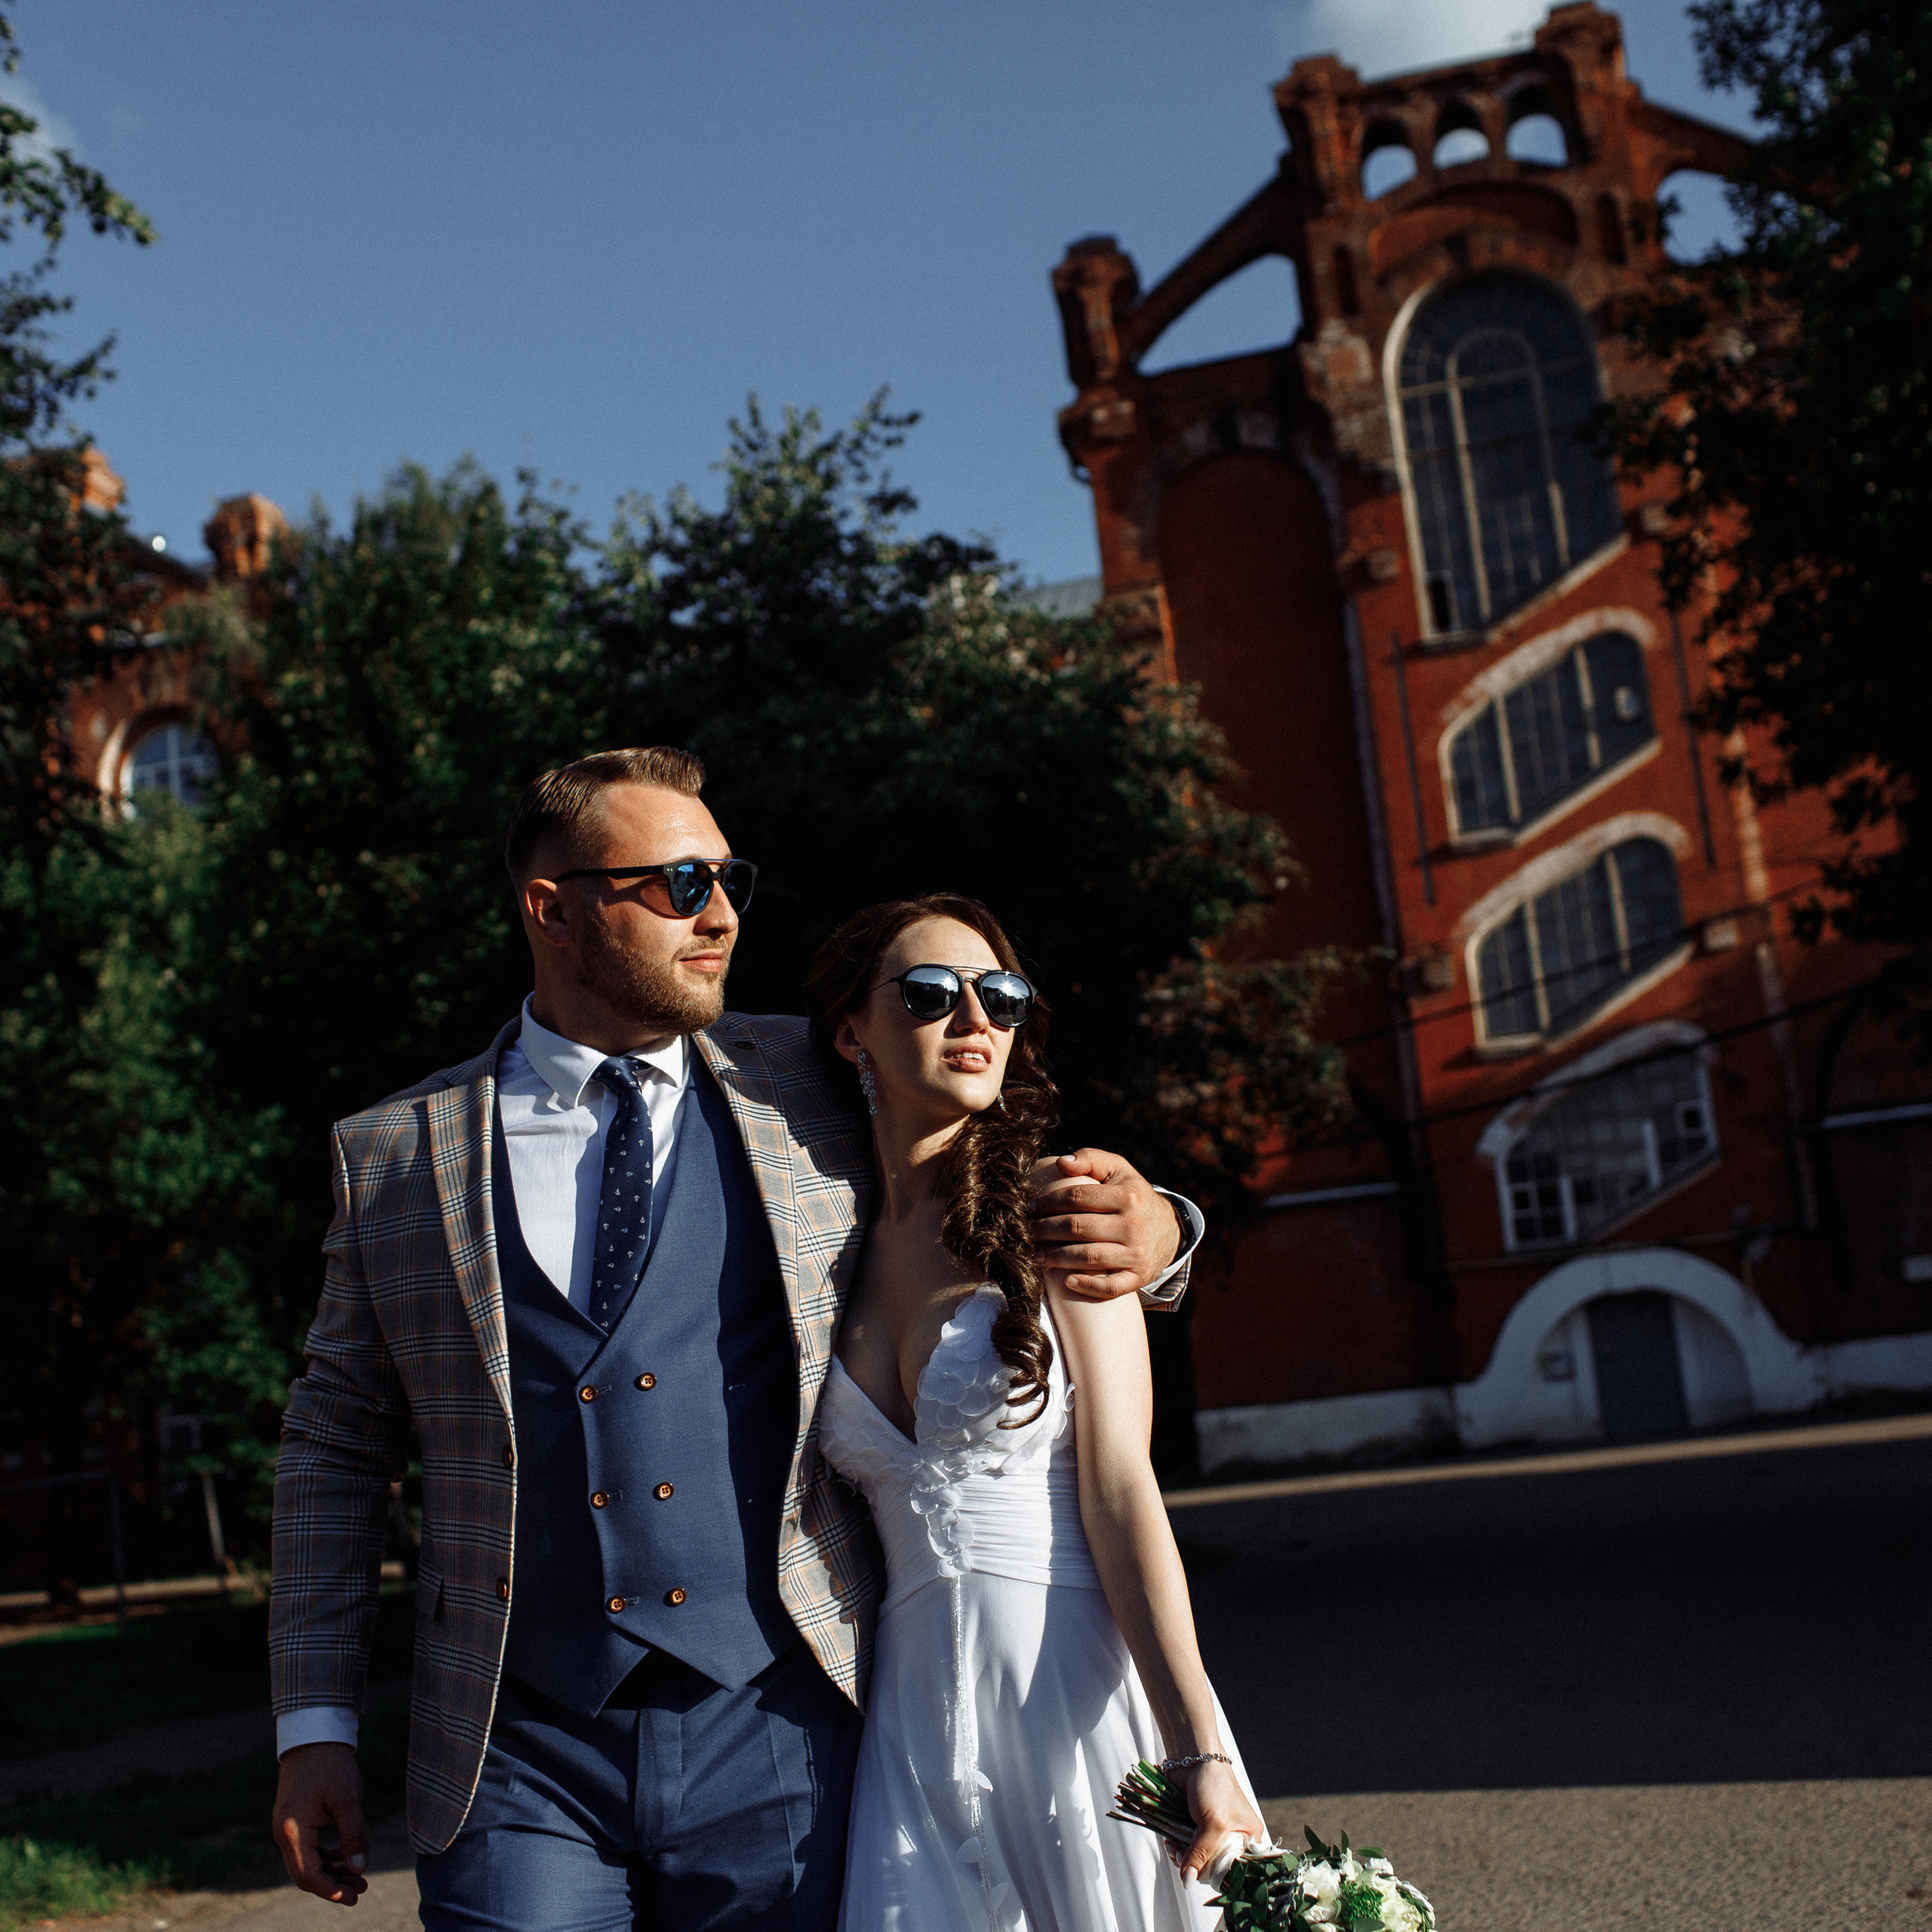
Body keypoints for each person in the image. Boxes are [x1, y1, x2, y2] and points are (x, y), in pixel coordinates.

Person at [267, 747, 1201, 1932]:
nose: (718, 915)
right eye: (675, 883)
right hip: (515, 1748)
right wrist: (315, 1729)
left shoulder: (807, 1077)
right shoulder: (398, 1156)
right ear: (552, 909)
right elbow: (333, 1452)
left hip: (778, 1723)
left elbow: (985, 1163)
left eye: (726, 879)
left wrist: (1166, 1226)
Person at [807, 894, 1263, 1932]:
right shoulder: (823, 1246)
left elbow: (1120, 1492)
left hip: (1073, 1684)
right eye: (930, 994)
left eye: (1001, 997)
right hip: (911, 1721)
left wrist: (1200, 1748)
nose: (975, 1019)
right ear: (849, 1030)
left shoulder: (1069, 1207)